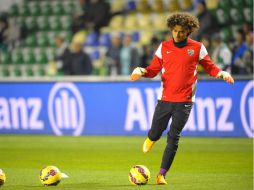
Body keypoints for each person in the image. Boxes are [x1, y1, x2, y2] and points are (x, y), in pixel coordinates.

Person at [130, 12, 234, 185]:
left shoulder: (198, 48)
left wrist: (222, 73)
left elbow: (210, 67)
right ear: (171, 29)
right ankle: (152, 138)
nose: (177, 34)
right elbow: (153, 69)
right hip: (165, 99)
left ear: (188, 32)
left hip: (185, 101)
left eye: (181, 32)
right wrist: (141, 71)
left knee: (174, 137)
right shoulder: (164, 47)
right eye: (175, 31)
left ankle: (162, 174)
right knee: (156, 132)